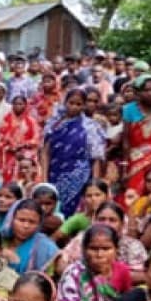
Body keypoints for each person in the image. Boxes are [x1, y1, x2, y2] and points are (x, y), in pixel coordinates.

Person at [42, 88, 106, 216]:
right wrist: (44, 177)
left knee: (77, 210)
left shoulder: (90, 126)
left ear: (84, 106)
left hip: (79, 176)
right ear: (65, 103)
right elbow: (45, 153)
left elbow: (96, 158)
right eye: (71, 103)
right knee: (52, 207)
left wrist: (94, 182)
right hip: (55, 173)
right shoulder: (54, 124)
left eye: (79, 104)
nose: (74, 107)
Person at [0, 95, 41, 184]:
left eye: (20, 104)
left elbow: (36, 139)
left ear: (25, 105)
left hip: (27, 155)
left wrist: (23, 146)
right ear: (12, 105)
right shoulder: (6, 120)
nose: (18, 106)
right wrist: (10, 148)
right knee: (8, 179)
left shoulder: (31, 121)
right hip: (9, 154)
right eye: (15, 104)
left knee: (26, 177)